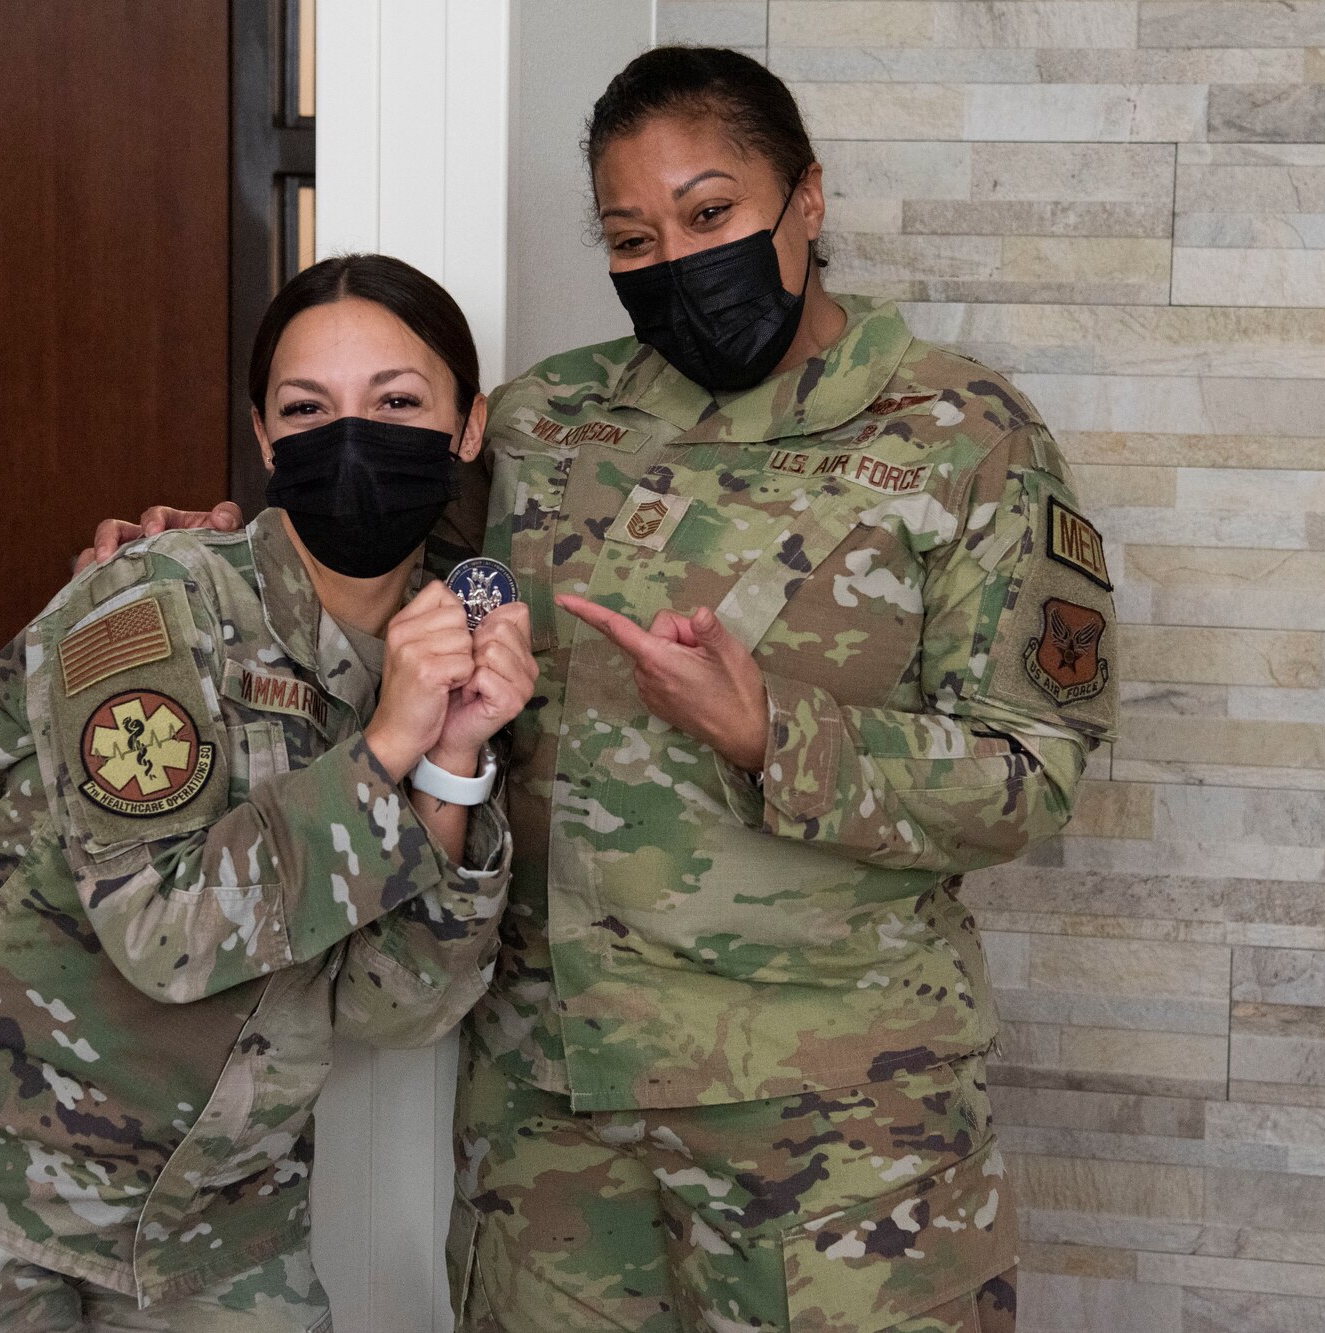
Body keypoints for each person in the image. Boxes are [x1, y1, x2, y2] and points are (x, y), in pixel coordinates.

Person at [90, 48, 1117, 1333]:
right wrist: (199, 554)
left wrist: (772, 734)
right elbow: (353, 561)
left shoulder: (965, 439)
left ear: (804, 201)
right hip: (548, 1114)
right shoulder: (542, 424)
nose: (675, 260)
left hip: (838, 1121)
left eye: (709, 215)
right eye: (631, 236)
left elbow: (1032, 770)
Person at [0, 253, 538, 1332]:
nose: (351, 436)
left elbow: (394, 1006)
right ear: (265, 440)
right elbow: (164, 931)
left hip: (207, 1219)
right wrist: (385, 744)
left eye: (397, 402)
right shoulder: (151, 601)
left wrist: (450, 758)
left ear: (466, 426)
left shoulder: (438, 644)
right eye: (307, 409)